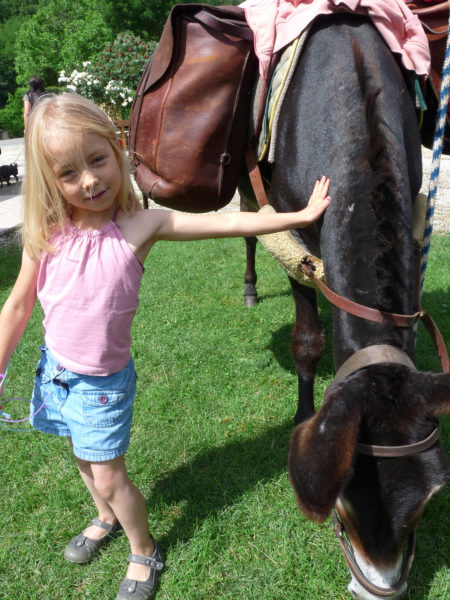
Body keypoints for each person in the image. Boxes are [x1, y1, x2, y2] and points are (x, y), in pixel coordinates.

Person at [0, 93, 330, 600]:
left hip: (100, 386)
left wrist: (298, 214)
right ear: (49, 180)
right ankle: (105, 517)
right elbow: (19, 305)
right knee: (83, 459)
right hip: (55, 374)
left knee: (108, 473)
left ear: (118, 151)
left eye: (97, 160)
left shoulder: (140, 226)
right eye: (68, 173)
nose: (88, 181)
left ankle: (143, 548)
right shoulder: (45, 232)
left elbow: (226, 222)